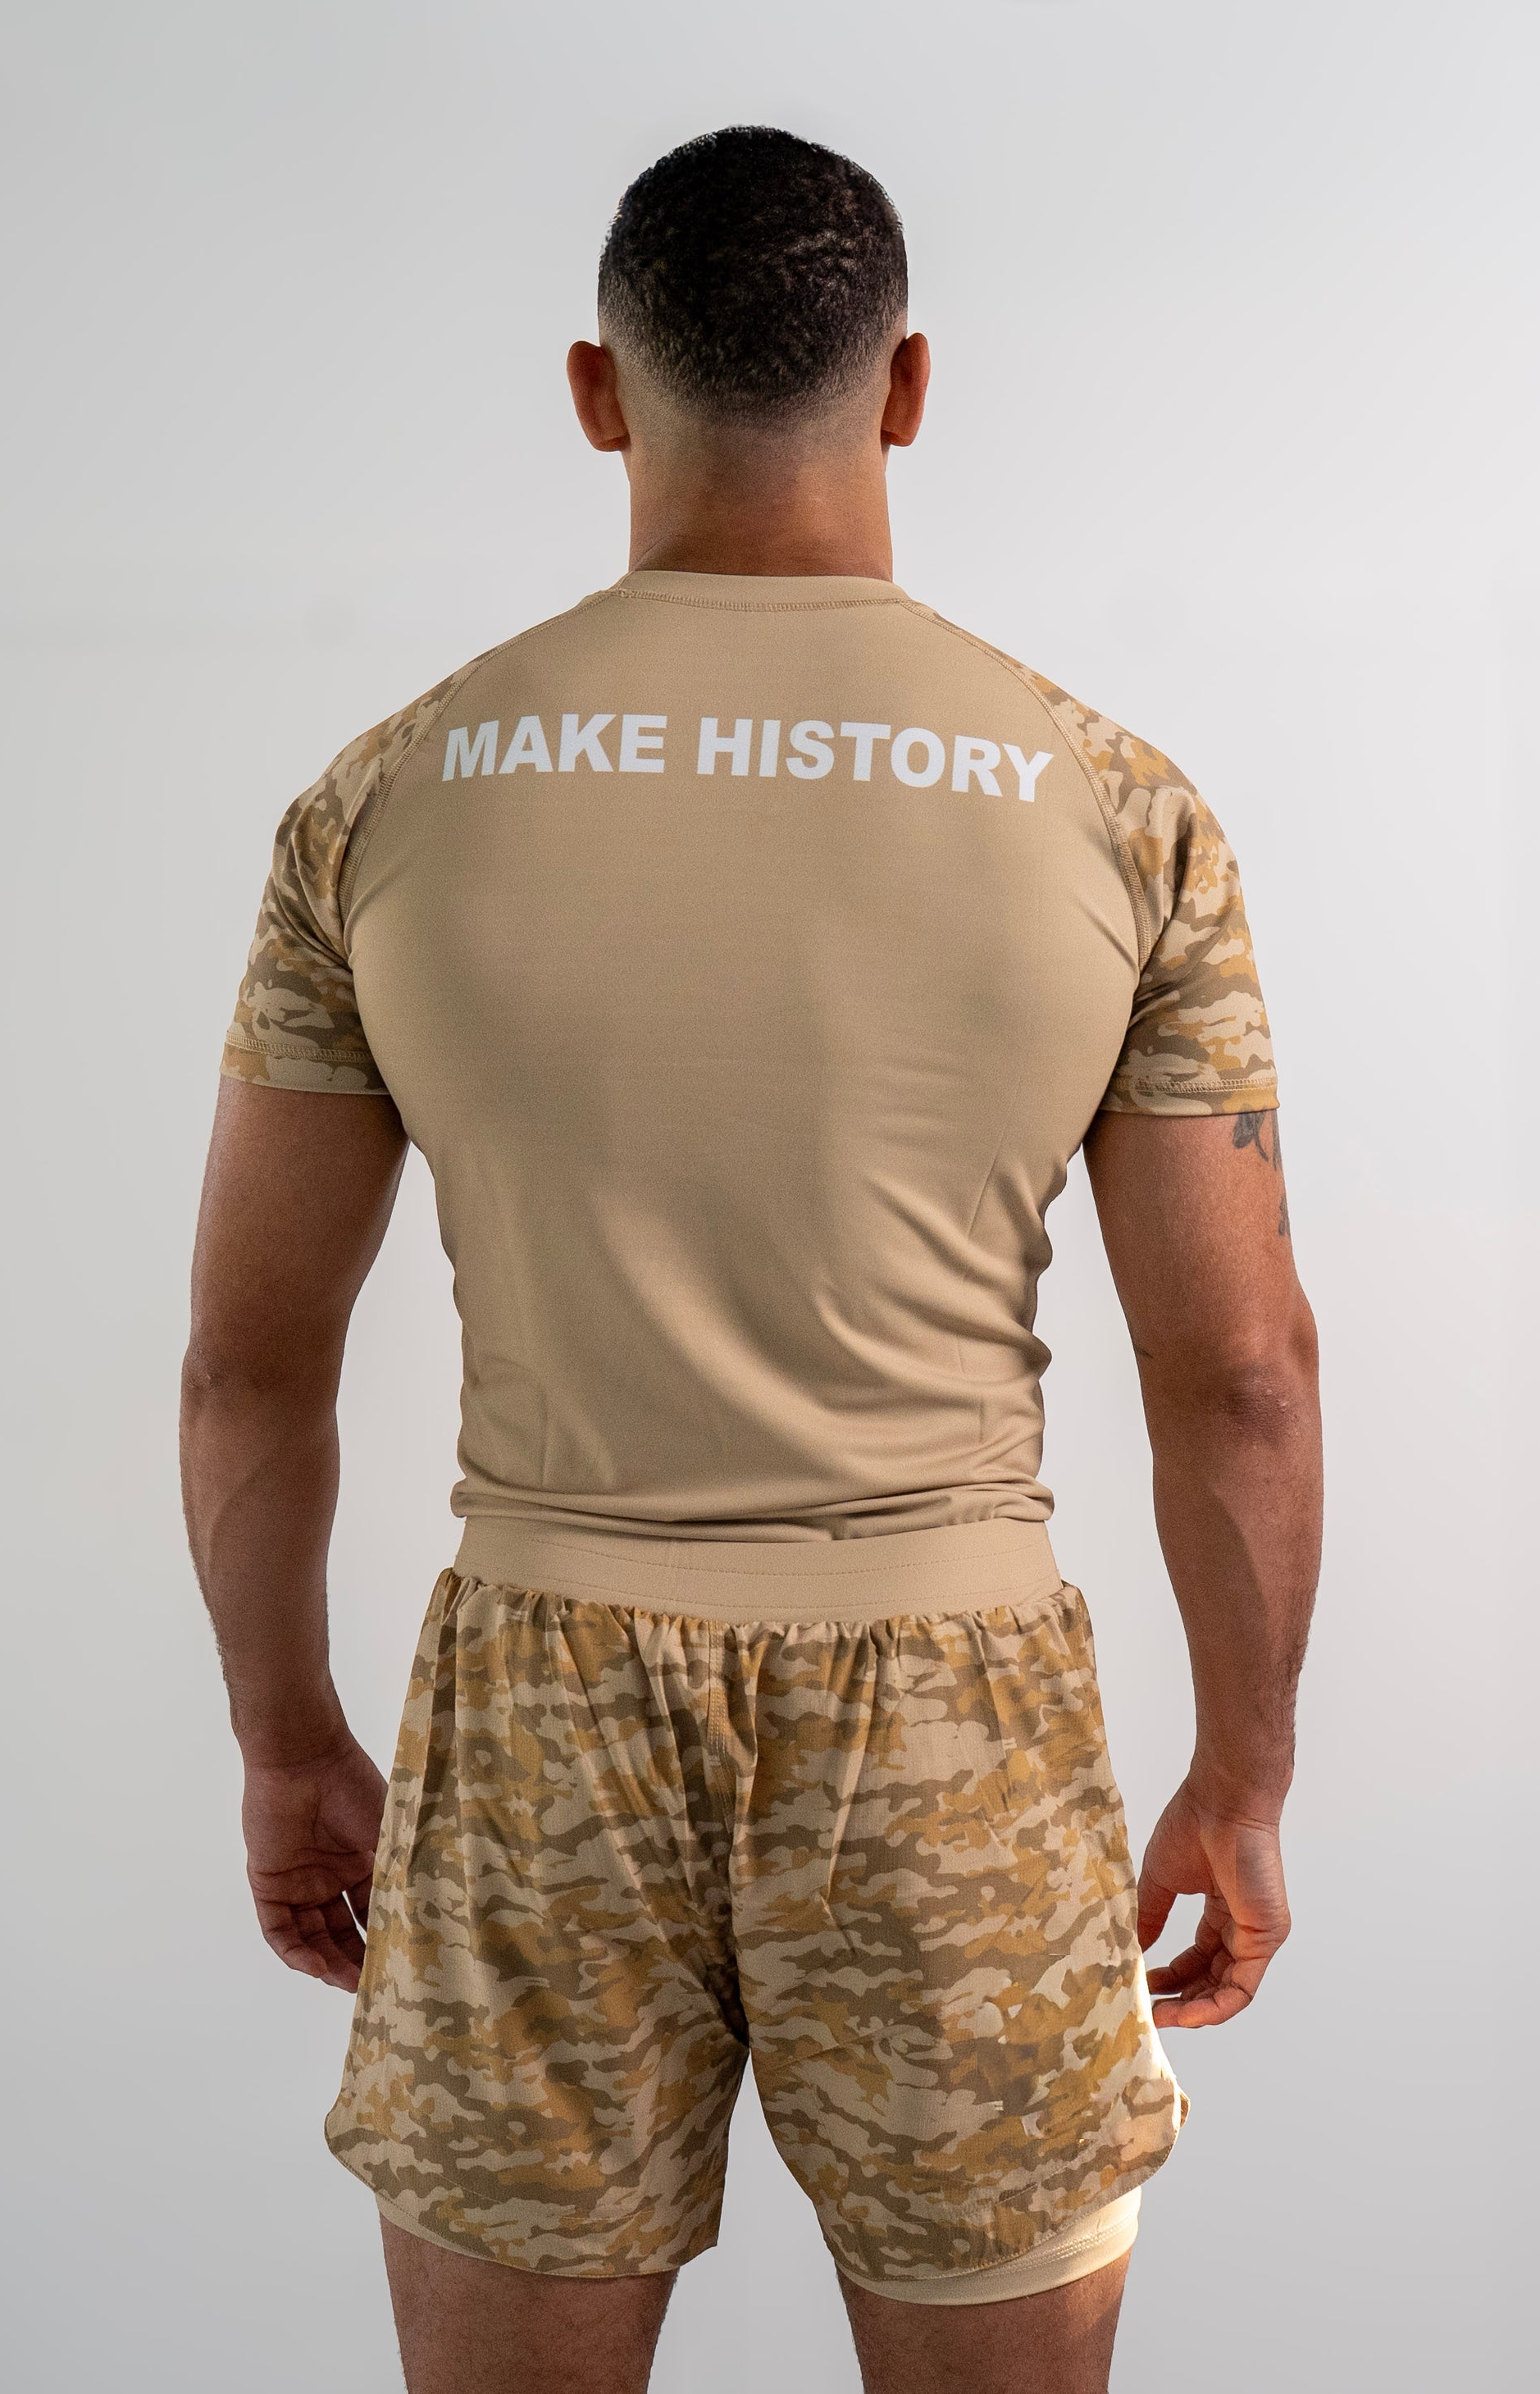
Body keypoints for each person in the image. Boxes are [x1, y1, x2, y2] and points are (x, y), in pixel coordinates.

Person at [181, 125, 1321, 2394]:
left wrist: (287, 1741)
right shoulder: (1115, 807)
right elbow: (1244, 1376)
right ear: (903, 386)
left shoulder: (387, 799)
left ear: (600, 393)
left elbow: (250, 1364)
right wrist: (1245, 1770)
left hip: (536, 1709)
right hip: (957, 1711)